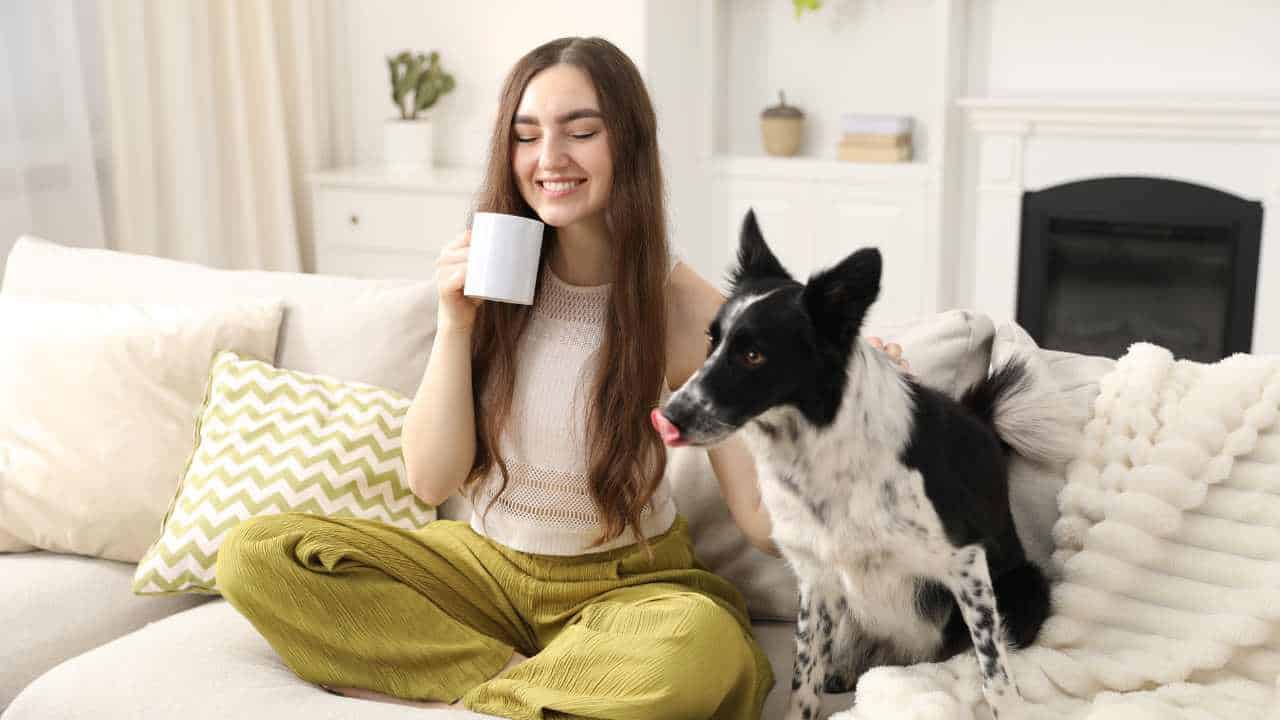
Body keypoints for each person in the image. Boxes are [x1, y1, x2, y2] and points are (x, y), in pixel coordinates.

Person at [215, 36, 905, 719]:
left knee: (700, 653)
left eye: (581, 131)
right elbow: (430, 481)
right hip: (482, 570)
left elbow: (759, 520)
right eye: (526, 135)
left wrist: (830, 391)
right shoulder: (492, 276)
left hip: (626, 592)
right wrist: (454, 324)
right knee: (257, 553)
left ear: (627, 144)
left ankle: (469, 684)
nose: (549, 159)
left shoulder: (681, 305)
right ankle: (526, 683)